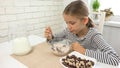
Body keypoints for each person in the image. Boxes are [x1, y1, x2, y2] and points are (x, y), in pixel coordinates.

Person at [44, 0, 120, 66]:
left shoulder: (94, 35)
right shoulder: (68, 31)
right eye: (66, 23)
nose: (68, 27)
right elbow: (55, 39)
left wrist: (83, 51)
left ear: (84, 21)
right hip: (73, 63)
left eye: (72, 23)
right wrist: (50, 37)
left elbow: (115, 59)